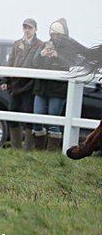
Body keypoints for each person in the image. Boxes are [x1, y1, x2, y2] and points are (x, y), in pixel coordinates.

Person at [0, 18, 43, 150]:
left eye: (30, 28)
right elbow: (10, 61)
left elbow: (35, 63)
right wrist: (5, 80)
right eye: (25, 27)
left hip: (29, 85)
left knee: (28, 115)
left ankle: (28, 147)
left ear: (35, 29)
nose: (27, 30)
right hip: (15, 84)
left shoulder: (40, 45)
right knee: (12, 113)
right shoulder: (17, 44)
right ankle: (16, 146)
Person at [31, 18, 72, 151]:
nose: (55, 37)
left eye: (58, 34)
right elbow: (34, 63)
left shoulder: (70, 48)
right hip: (41, 88)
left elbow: (71, 66)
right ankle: (39, 151)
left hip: (58, 90)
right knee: (37, 118)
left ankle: (51, 153)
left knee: (54, 120)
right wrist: (42, 55)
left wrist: (57, 56)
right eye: (53, 34)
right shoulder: (44, 45)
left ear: (63, 34)